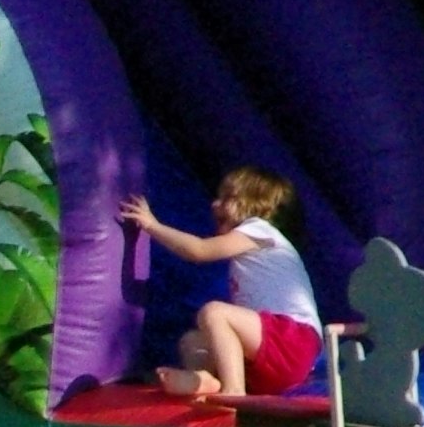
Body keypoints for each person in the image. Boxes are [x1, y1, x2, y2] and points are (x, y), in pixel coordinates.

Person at [125, 167, 324, 401]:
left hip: (294, 342)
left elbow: (199, 250)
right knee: (192, 341)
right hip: (270, 357)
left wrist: (152, 225)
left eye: (226, 198)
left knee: (214, 313)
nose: (214, 205)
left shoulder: (260, 229)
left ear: (254, 204)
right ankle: (205, 379)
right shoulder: (255, 246)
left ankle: (234, 392)